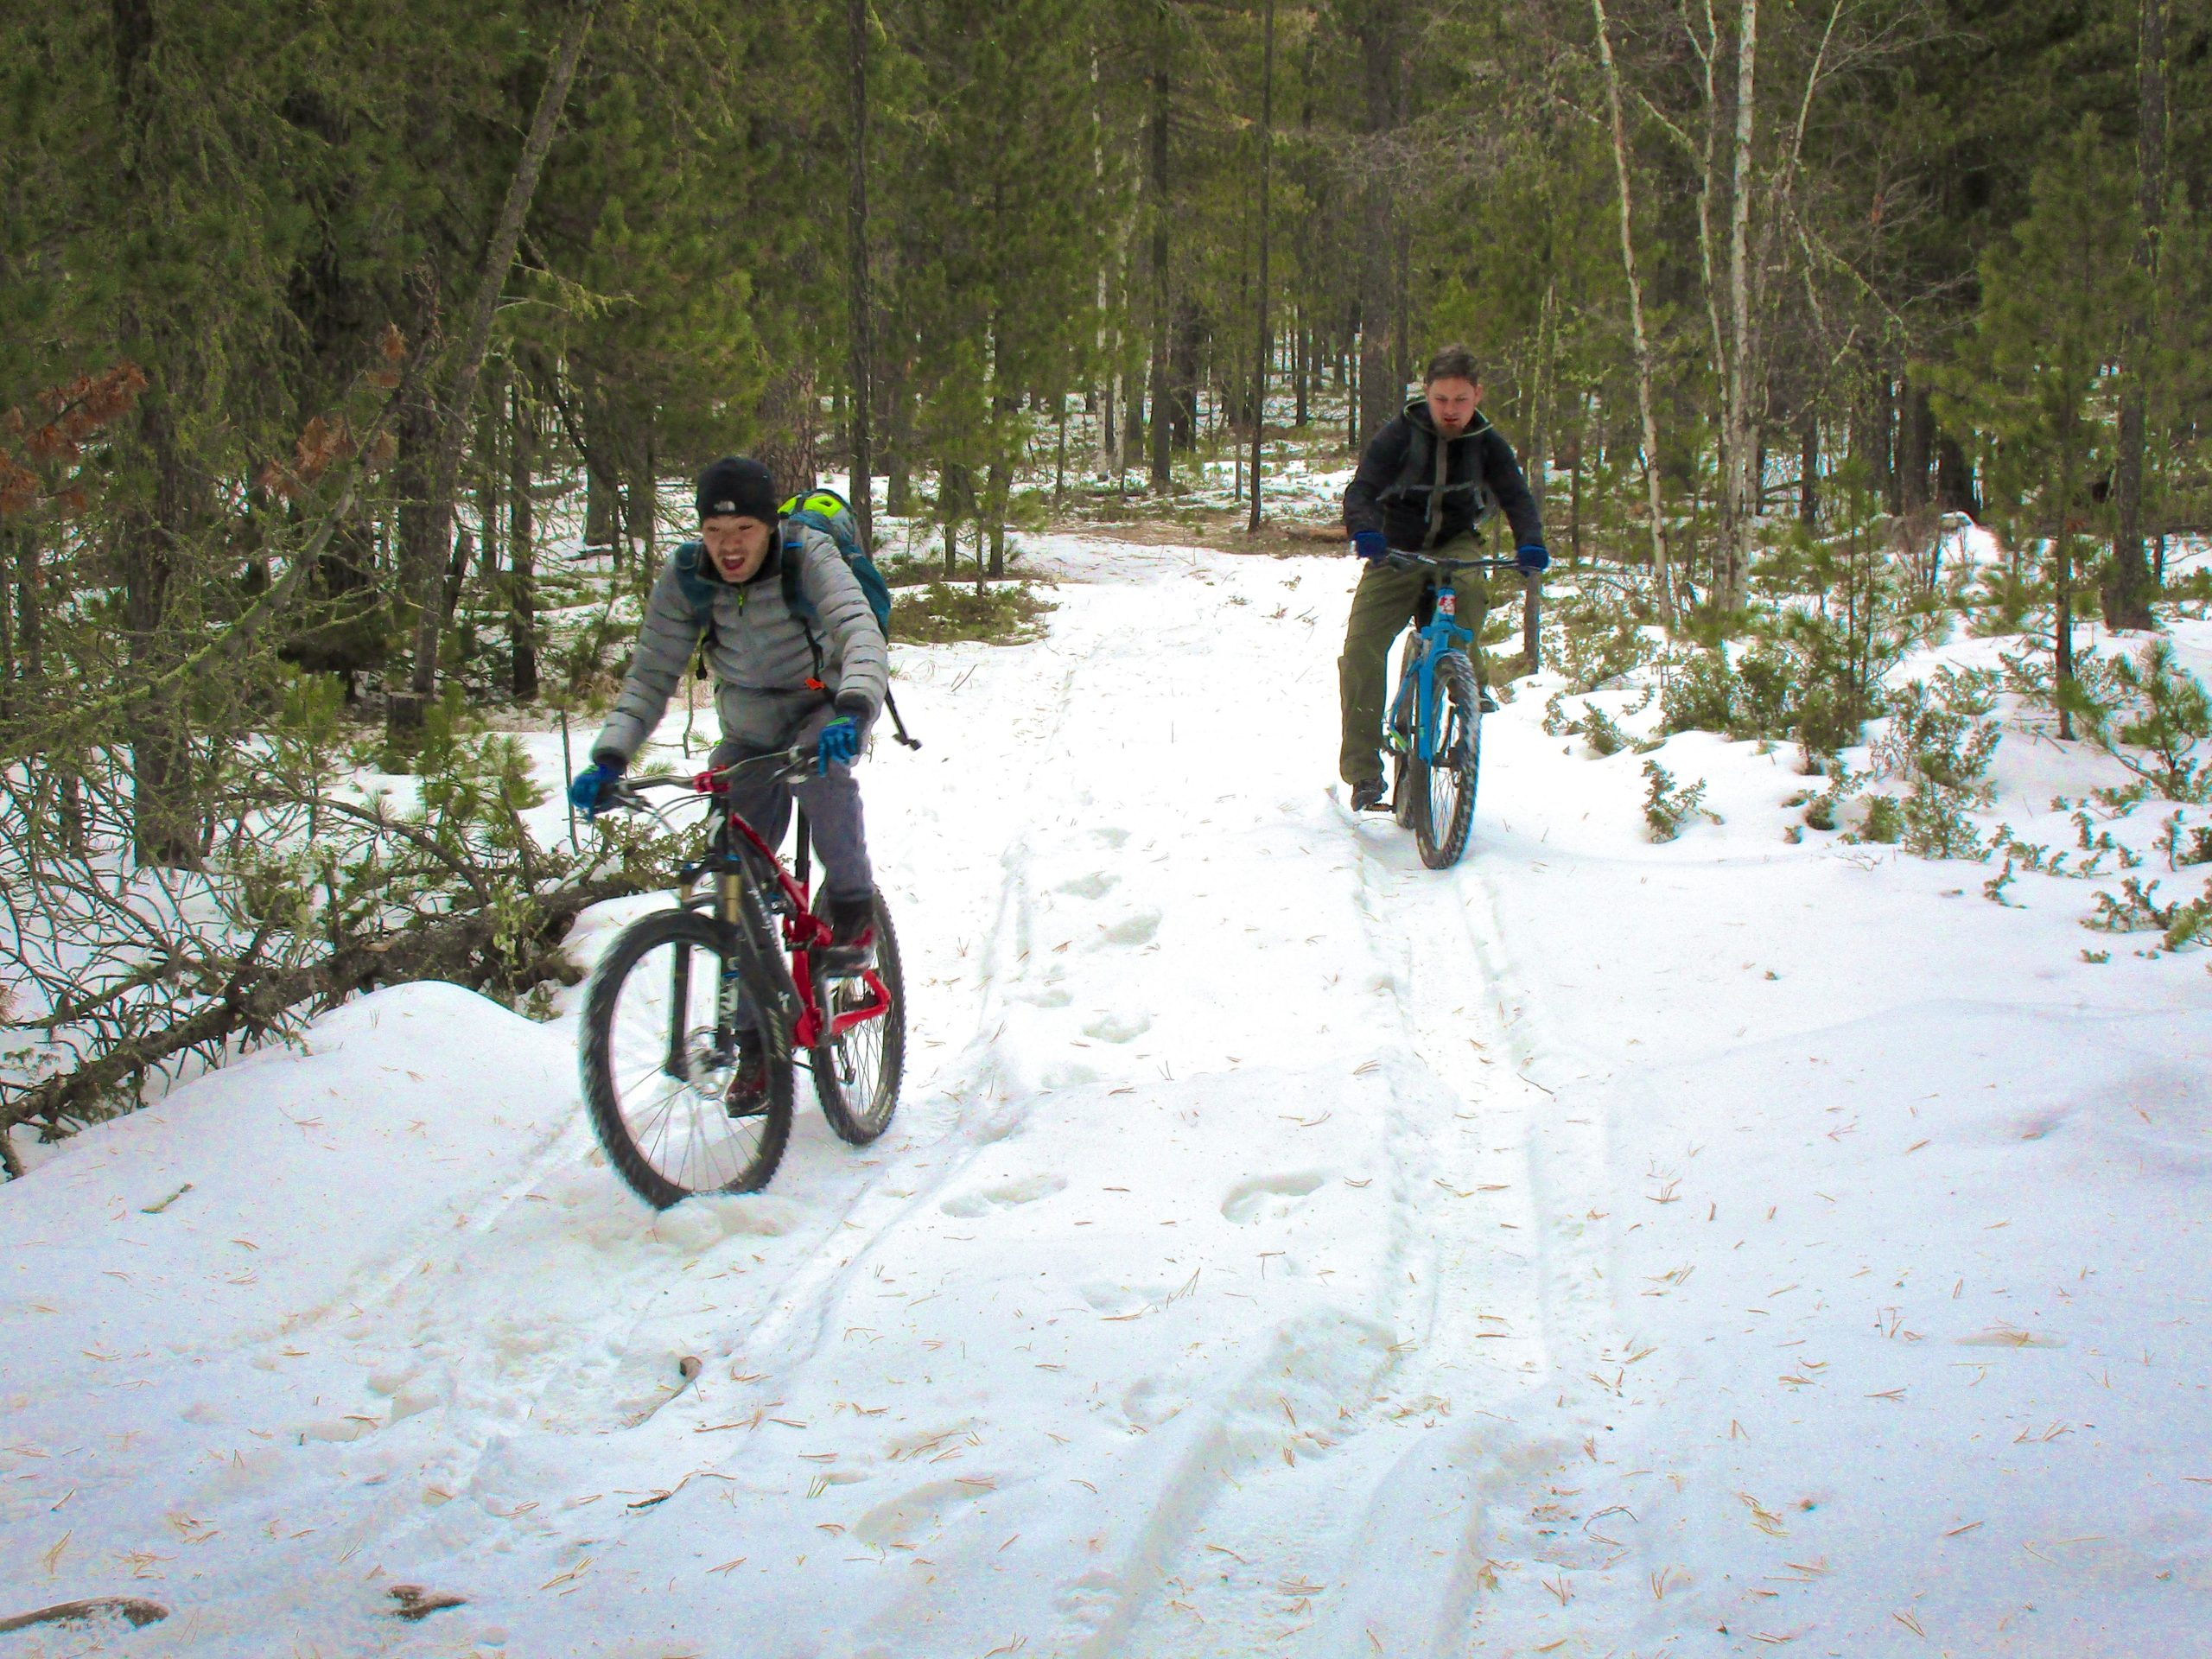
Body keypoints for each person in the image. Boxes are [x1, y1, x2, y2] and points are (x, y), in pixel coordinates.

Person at [568, 456, 888, 1098]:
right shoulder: (688, 578)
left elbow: (860, 635)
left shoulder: (809, 558)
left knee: (823, 780)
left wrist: (853, 711)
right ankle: (756, 1046)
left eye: (743, 528)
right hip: (748, 728)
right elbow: (651, 673)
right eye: (715, 533)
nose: (729, 546)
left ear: (768, 525)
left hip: (823, 706)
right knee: (735, 876)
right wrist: (610, 756)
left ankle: (853, 910)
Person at [1338, 344, 1549, 811]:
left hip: (1455, 543)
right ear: (1426, 394)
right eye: (1441, 400)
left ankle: (1467, 686)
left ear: (1476, 395)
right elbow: (1364, 489)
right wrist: (1365, 531)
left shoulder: (1488, 443)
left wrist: (1530, 542)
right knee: (1361, 650)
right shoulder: (1399, 436)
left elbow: (1517, 497)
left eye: (1460, 400)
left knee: (1471, 593)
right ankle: (1364, 771)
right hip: (1395, 547)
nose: (1450, 411)